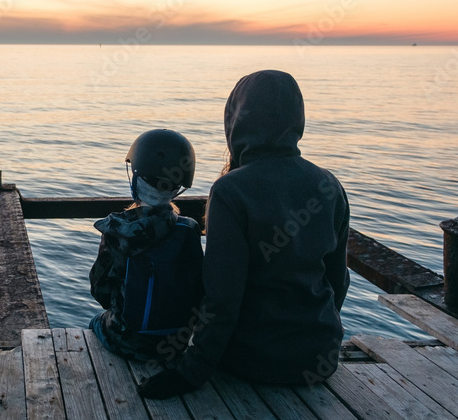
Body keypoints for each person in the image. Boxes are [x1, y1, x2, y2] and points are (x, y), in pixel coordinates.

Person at [138, 70, 350, 399]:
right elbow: (338, 282)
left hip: (254, 361)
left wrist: (190, 373)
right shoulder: (329, 184)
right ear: (297, 118)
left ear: (235, 118)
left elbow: (223, 298)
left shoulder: (231, 191)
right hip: (321, 357)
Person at [89, 129, 205, 363]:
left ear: (136, 179)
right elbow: (198, 290)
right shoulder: (190, 230)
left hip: (128, 342)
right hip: (176, 342)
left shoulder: (116, 230)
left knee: (96, 320)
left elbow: (99, 290)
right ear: (179, 187)